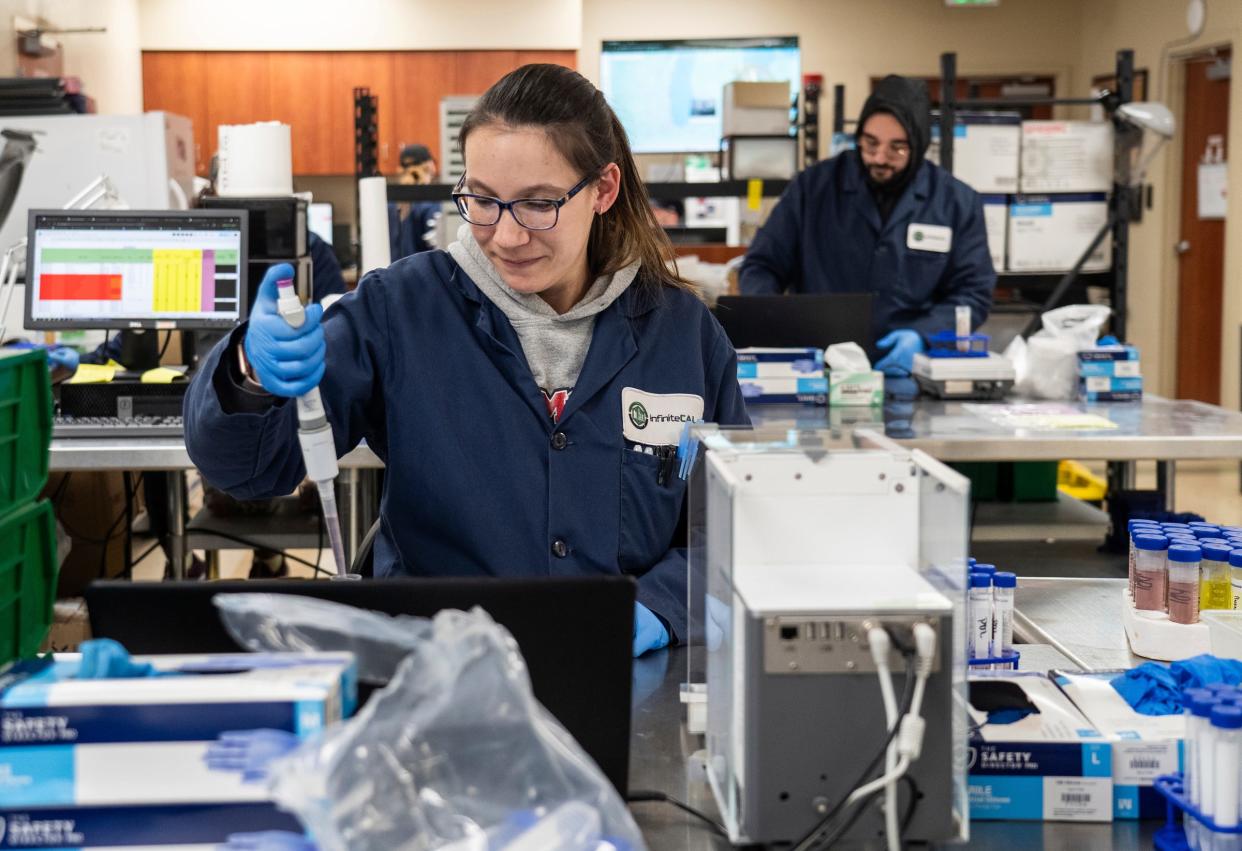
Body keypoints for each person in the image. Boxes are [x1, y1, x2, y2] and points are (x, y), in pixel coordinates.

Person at [184, 64, 749, 657]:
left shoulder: (684, 336)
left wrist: (659, 606)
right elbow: (251, 471)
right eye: (482, 200)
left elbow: (730, 530)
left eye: (537, 204)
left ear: (603, 190)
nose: (506, 236)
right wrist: (249, 373)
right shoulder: (398, 310)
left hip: (617, 674)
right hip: (433, 678)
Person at [738, 75, 995, 375]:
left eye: (896, 147)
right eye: (870, 144)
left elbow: (973, 292)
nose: (880, 158)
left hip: (910, 371)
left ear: (919, 144)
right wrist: (779, 326)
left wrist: (922, 335)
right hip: (820, 370)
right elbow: (760, 265)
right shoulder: (814, 188)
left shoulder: (955, 202)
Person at [389, 143, 443, 259]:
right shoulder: (433, 203)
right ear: (430, 166)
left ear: (400, 170)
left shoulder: (389, 205)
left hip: (394, 271)